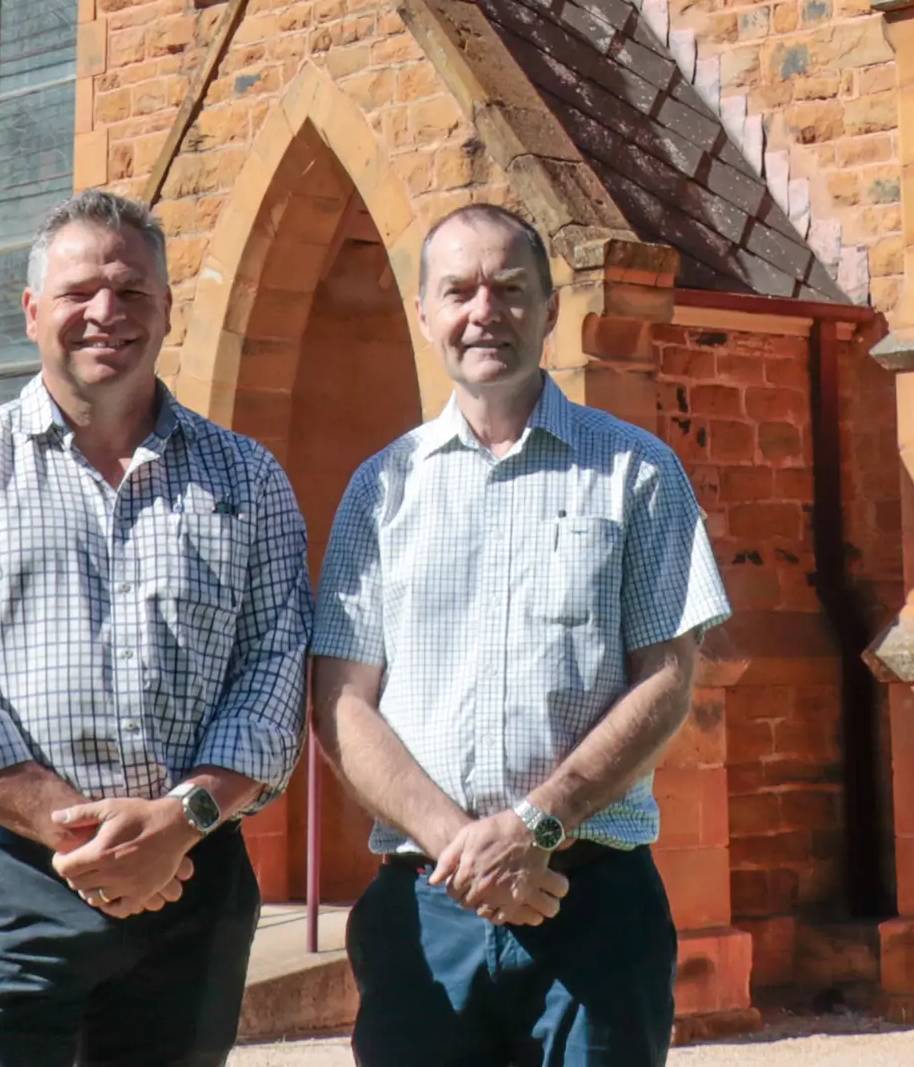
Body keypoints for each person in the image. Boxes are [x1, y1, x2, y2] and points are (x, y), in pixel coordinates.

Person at [0, 190, 308, 1067]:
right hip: (13, 882)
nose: (106, 312)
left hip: (195, 880)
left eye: (132, 292)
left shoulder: (250, 479)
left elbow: (276, 671)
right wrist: (87, 839)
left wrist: (178, 823)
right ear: (33, 312)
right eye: (79, 293)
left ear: (166, 312)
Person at [312, 201, 730, 1066]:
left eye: (509, 288)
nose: (483, 312)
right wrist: (462, 848)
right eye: (457, 291)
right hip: (426, 906)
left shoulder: (636, 471)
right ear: (424, 313)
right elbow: (341, 699)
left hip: (594, 902)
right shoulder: (379, 490)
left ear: (549, 309)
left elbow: (668, 678)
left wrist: (534, 826)